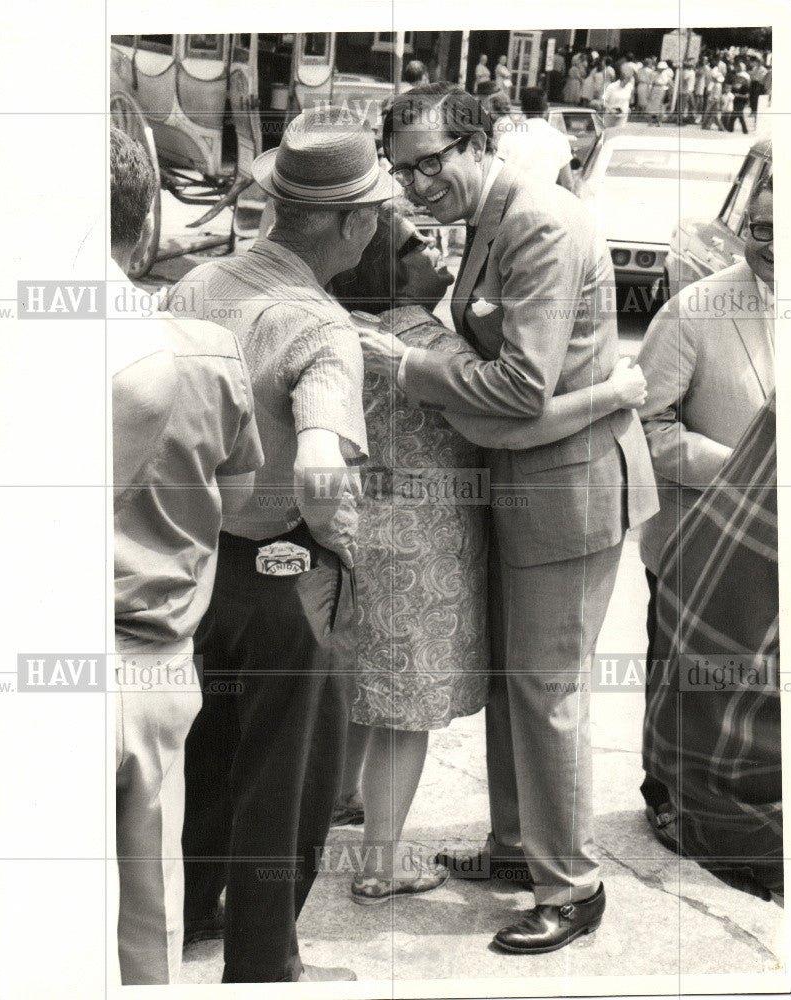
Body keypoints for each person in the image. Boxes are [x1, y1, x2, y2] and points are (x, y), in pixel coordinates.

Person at [361, 83, 658, 954]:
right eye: (403, 170)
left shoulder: (538, 223)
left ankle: (574, 886)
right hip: (521, 485)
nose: (418, 187)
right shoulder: (493, 215)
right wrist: (481, 410)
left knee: (548, 692)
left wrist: (414, 370)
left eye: (431, 163)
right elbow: (506, 393)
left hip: (566, 497)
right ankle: (514, 848)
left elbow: (522, 389)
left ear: (480, 143)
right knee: (511, 686)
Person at [174, 106, 395, 984]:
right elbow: (317, 461)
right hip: (285, 570)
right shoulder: (319, 324)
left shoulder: (198, 285)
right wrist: (336, 523)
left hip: (197, 564)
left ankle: (187, 914)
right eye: (374, 207)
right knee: (290, 777)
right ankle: (263, 961)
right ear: (349, 223)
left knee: (206, 751)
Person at [111, 126, 263, 985]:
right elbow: (239, 506)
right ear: (145, 231)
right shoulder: (205, 354)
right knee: (147, 929)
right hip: (153, 665)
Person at [636, 179, 774, 840]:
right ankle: (664, 790)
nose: (769, 244)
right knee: (680, 675)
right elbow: (647, 427)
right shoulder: (695, 309)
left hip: (778, 555)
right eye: (760, 227)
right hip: (698, 541)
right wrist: (748, 474)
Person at [642, 391, 781, 901]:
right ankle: (664, 802)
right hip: (711, 545)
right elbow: (652, 423)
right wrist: (740, 465)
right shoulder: (691, 315)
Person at [494, 86, 573, 190]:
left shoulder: (508, 137)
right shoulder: (559, 138)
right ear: (546, 107)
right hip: (545, 201)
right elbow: (568, 184)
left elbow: (497, 178)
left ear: (522, 109)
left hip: (516, 201)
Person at [603, 60, 635, 126]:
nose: (629, 81)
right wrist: (610, 110)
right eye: (628, 79)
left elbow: (628, 101)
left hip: (623, 116)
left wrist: (628, 109)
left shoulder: (630, 87)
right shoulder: (612, 87)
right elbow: (604, 101)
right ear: (622, 78)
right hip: (610, 116)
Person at [646, 60, 671, 125]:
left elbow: (669, 82)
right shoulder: (654, 74)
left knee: (662, 105)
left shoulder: (666, 74)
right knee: (654, 105)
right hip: (656, 88)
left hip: (664, 88)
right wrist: (649, 92)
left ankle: (659, 121)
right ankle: (652, 120)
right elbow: (651, 83)